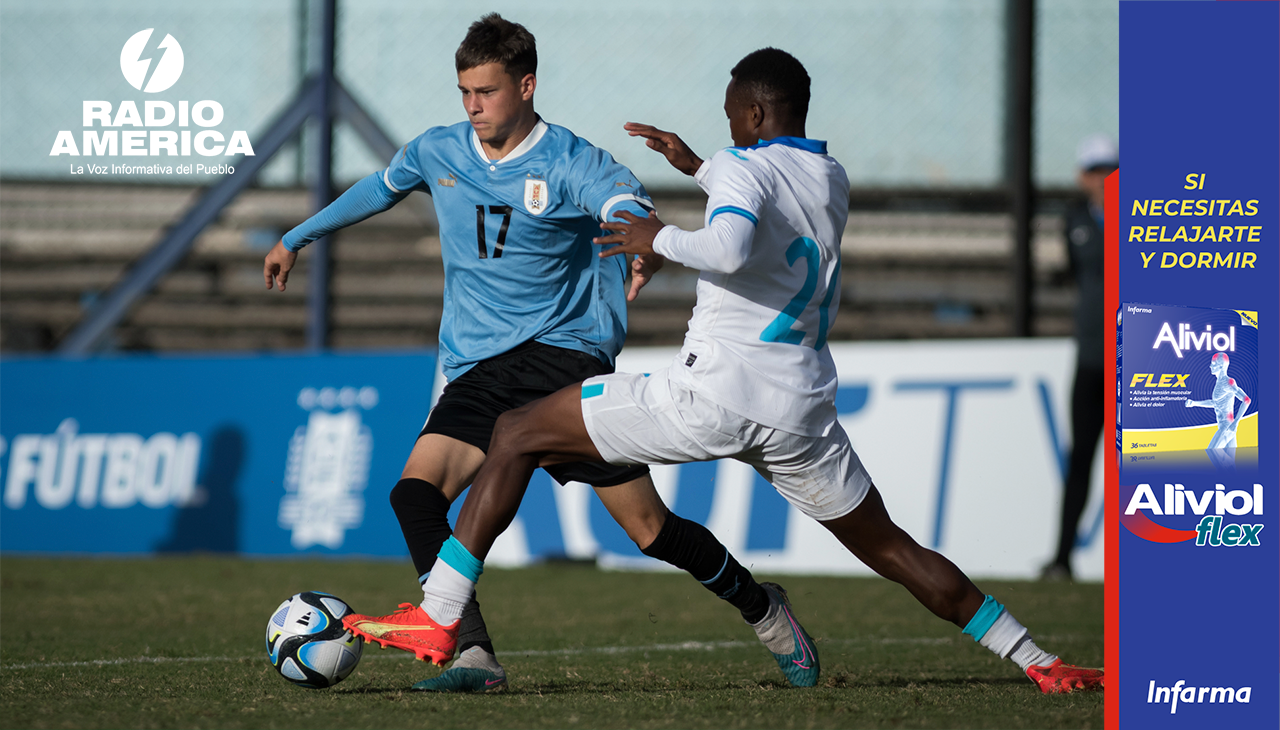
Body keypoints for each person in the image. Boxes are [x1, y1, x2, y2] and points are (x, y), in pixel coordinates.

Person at [396, 48, 1106, 695]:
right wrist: (699, 164)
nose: (729, 124)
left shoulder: (742, 168)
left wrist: (659, 238)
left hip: (713, 394)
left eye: (734, 112)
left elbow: (732, 244)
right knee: (892, 547)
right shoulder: (831, 176)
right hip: (801, 414)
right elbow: (766, 190)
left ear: (757, 113)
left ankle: (442, 616)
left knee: (518, 430)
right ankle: (1039, 661)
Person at [265, 15, 818, 692]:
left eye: (487, 92)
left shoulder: (567, 161)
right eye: (464, 91)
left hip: (562, 355)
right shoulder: (439, 151)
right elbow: (379, 189)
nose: (472, 106)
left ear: (526, 86)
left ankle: (766, 612)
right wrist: (298, 236)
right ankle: (472, 654)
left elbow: (623, 200)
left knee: (647, 531)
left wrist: (638, 244)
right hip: (478, 367)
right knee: (415, 495)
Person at [1042, 134, 1117, 581]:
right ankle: (1062, 557)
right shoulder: (1074, 220)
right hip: (1090, 354)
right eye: (1097, 170)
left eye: (1111, 168)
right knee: (1083, 458)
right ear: (1082, 176)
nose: (1105, 178)